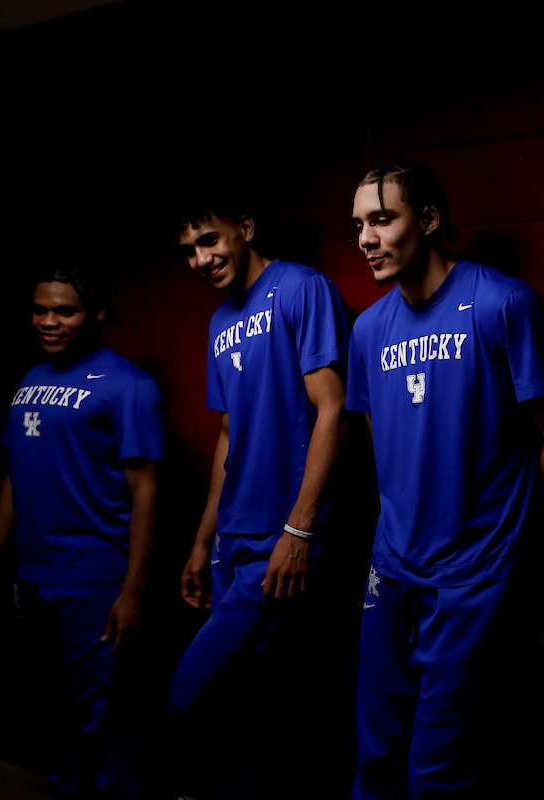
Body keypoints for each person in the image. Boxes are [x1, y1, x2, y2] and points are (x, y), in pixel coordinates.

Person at [346, 161, 544, 798]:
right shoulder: (368, 330)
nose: (366, 238)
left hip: (475, 580)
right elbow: (383, 457)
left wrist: (516, 561)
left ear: (430, 219)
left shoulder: (503, 305)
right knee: (376, 760)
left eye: (381, 219)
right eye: (359, 225)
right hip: (391, 576)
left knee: (441, 773)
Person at [170, 183, 350, 796]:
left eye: (209, 240)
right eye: (189, 249)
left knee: (190, 691)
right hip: (232, 539)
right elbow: (227, 438)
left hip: (281, 534)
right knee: (244, 704)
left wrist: (299, 531)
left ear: (244, 227)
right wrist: (202, 543)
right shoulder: (221, 319)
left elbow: (334, 410)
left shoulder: (301, 288)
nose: (200, 259)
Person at [0, 264, 164, 798]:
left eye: (65, 311)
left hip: (94, 580)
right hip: (32, 576)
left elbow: (146, 491)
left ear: (97, 313)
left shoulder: (130, 387)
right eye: (40, 309)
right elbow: (17, 476)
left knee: (101, 718)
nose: (48, 322)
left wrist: (134, 588)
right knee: (54, 712)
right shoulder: (32, 380)